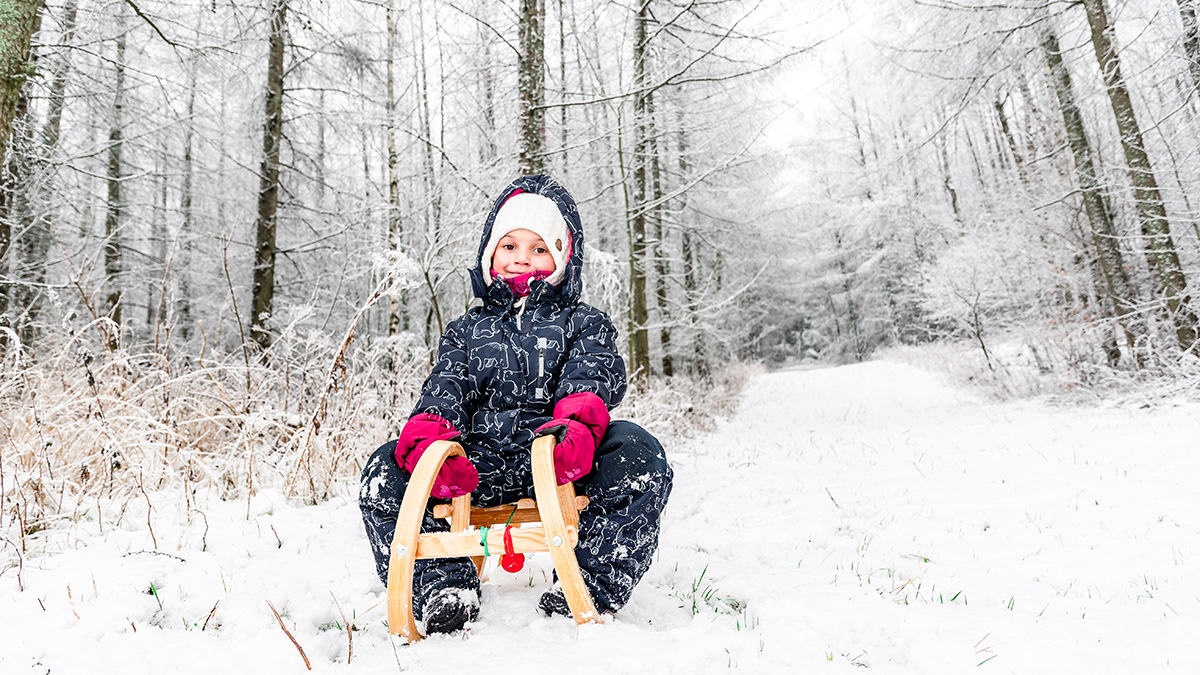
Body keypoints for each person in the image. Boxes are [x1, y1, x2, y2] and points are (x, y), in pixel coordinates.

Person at [359, 174, 674, 636]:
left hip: (560, 457)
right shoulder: (467, 331)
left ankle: (590, 585)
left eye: (539, 248)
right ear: (490, 253)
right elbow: (445, 389)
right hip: (477, 467)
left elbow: (590, 377)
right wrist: (430, 437)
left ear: (563, 258)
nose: (522, 257)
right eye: (510, 245)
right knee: (384, 470)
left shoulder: (584, 323)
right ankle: (442, 587)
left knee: (639, 453)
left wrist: (577, 429)